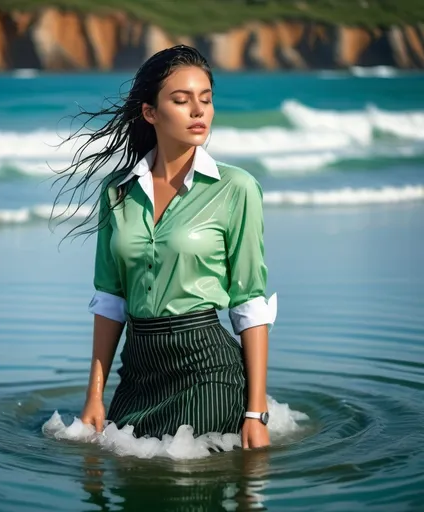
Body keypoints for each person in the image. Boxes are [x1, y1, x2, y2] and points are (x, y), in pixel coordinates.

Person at [57, 45, 277, 449]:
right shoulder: (117, 193)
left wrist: (255, 412)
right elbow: (110, 298)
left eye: (206, 100)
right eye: (181, 100)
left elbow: (249, 302)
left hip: (206, 368)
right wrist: (94, 397)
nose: (199, 111)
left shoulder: (236, 188)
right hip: (138, 370)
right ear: (150, 112)